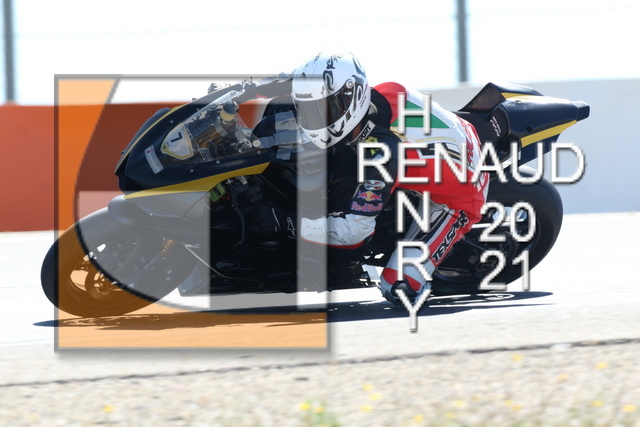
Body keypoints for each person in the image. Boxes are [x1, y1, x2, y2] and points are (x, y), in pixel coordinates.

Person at [265, 48, 489, 305]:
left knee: (396, 288)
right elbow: (290, 83)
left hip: (462, 194)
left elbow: (354, 232)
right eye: (310, 109)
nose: (317, 118)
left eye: (327, 108)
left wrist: (286, 223)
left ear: (353, 96)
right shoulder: (370, 99)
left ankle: (422, 270)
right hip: (451, 139)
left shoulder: (382, 154)